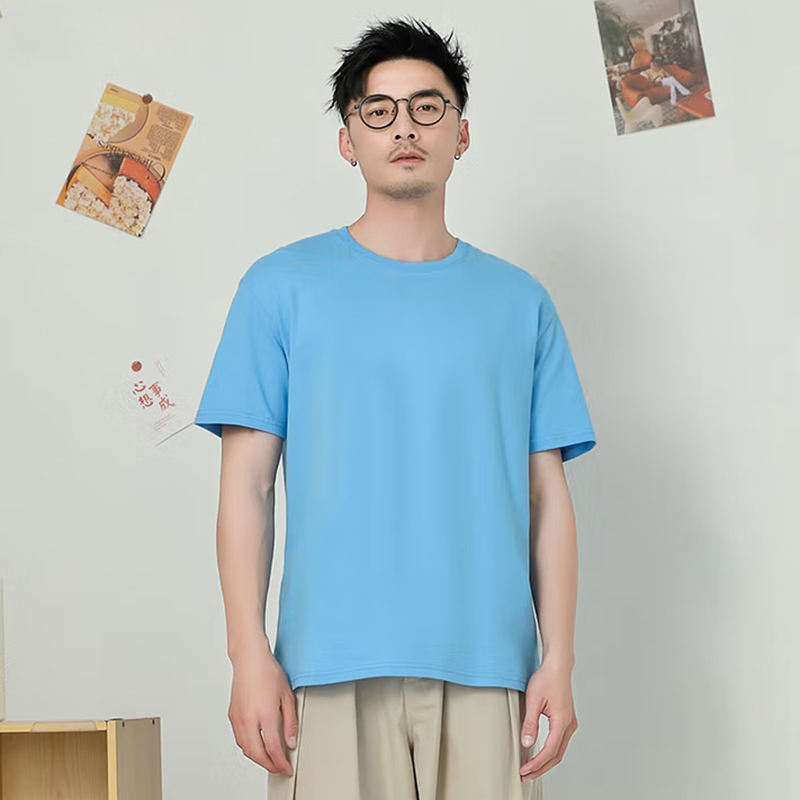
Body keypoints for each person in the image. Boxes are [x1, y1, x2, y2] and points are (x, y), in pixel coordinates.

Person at [194, 15, 596, 800]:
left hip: (490, 665)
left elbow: (547, 496)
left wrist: (559, 658)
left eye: (427, 107)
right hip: (327, 664)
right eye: (378, 111)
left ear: (462, 132)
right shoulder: (279, 288)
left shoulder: (520, 303)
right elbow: (246, 485)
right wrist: (248, 654)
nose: (404, 127)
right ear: (348, 140)